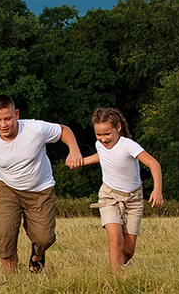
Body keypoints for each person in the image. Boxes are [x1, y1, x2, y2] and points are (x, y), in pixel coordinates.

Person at [0, 95, 82, 273]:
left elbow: (64, 130)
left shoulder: (35, 129)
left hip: (40, 189)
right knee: (6, 238)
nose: (3, 124)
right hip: (6, 189)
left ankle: (38, 253)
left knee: (44, 238)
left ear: (17, 114)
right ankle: (12, 283)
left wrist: (74, 150)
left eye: (8, 118)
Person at [66, 106, 164, 271]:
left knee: (128, 251)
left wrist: (157, 190)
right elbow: (103, 156)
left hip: (133, 199)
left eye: (107, 134)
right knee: (115, 239)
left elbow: (153, 164)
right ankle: (116, 278)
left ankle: (121, 266)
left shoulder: (128, 145)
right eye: (98, 135)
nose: (103, 139)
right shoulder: (99, 144)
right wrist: (82, 161)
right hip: (109, 196)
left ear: (118, 127)